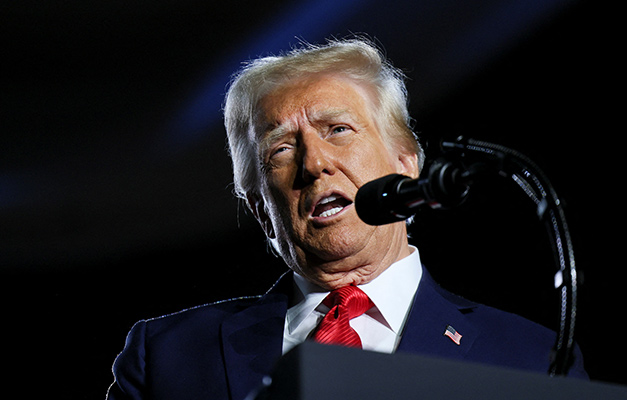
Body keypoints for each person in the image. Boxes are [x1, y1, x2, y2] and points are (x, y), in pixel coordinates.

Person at [106, 38, 586, 400]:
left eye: (338, 129)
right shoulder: (168, 356)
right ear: (260, 211)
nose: (314, 163)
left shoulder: (529, 360)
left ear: (406, 164)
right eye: (281, 150)